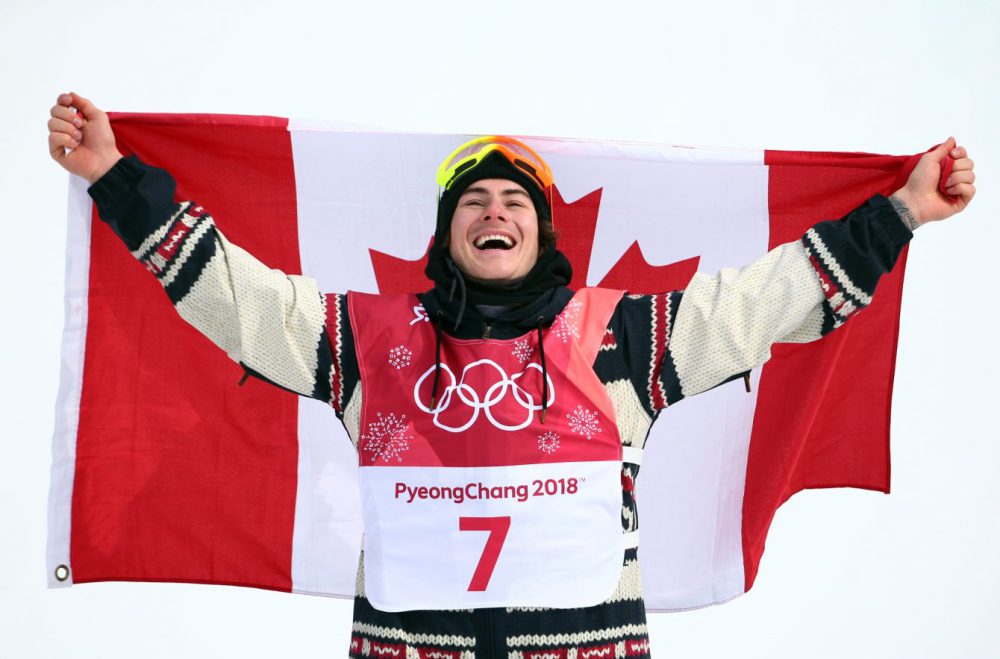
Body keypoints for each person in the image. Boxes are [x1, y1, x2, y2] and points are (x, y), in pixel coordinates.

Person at [48, 92, 976, 659]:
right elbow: (237, 298)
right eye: (475, 203)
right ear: (447, 233)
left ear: (540, 232)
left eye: (516, 202)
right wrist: (114, 176)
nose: (496, 213)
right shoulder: (366, 343)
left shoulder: (624, 340)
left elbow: (762, 301)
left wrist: (899, 211)